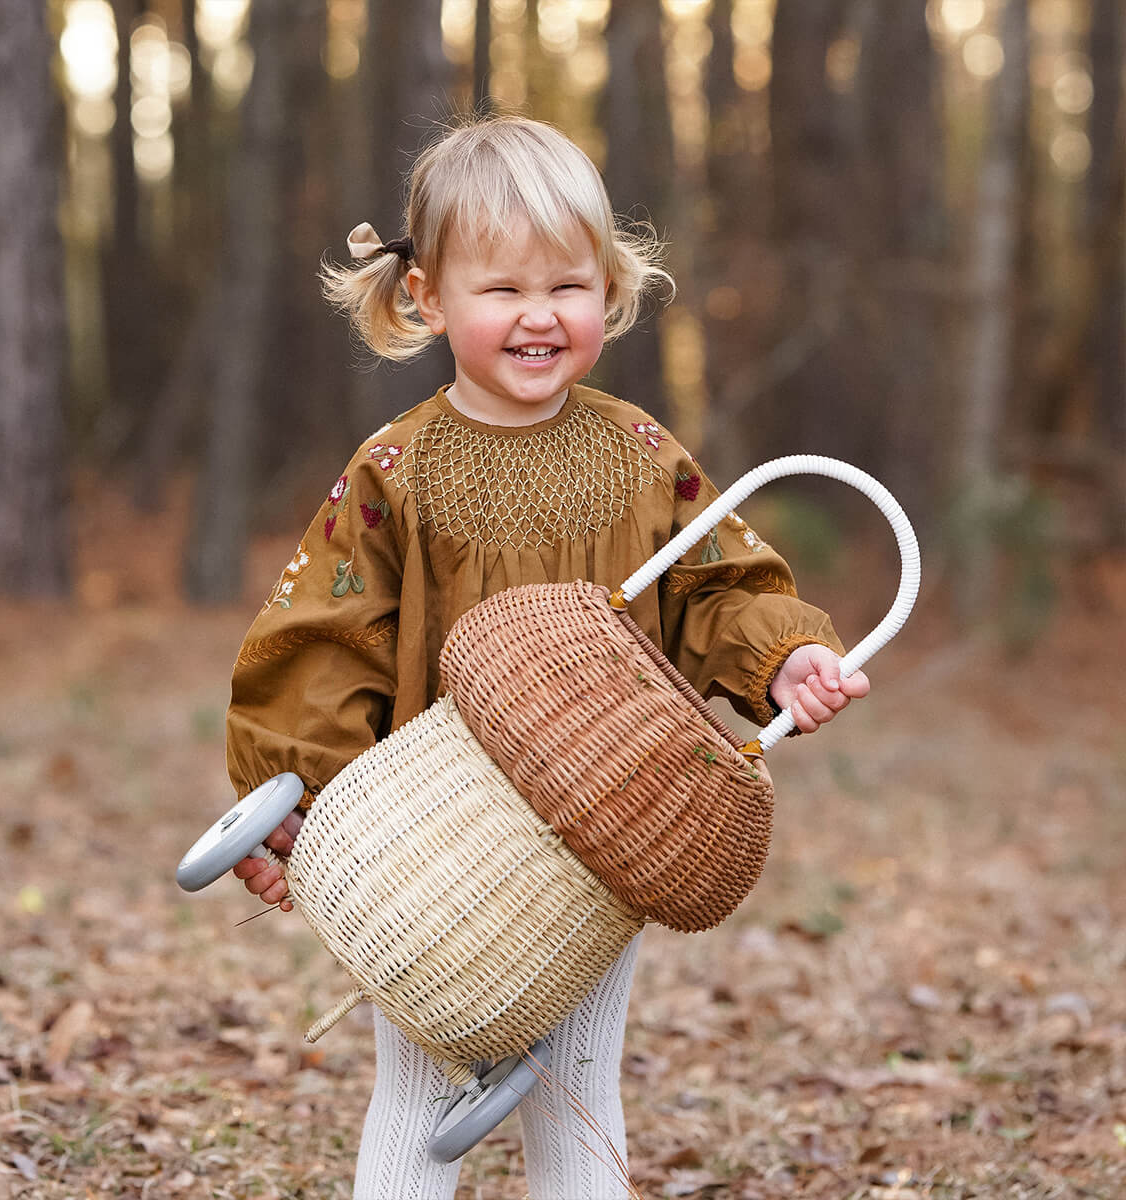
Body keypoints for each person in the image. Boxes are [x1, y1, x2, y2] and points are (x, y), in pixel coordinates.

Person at [226, 115, 869, 1200]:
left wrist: (781, 661)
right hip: (434, 839)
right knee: (424, 1090)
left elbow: (719, 585)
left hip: (601, 837)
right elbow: (325, 640)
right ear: (428, 297)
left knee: (575, 1085)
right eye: (502, 289)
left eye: (567, 285)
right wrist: (292, 796)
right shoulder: (395, 467)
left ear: (608, 291)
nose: (539, 315)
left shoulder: (638, 455)